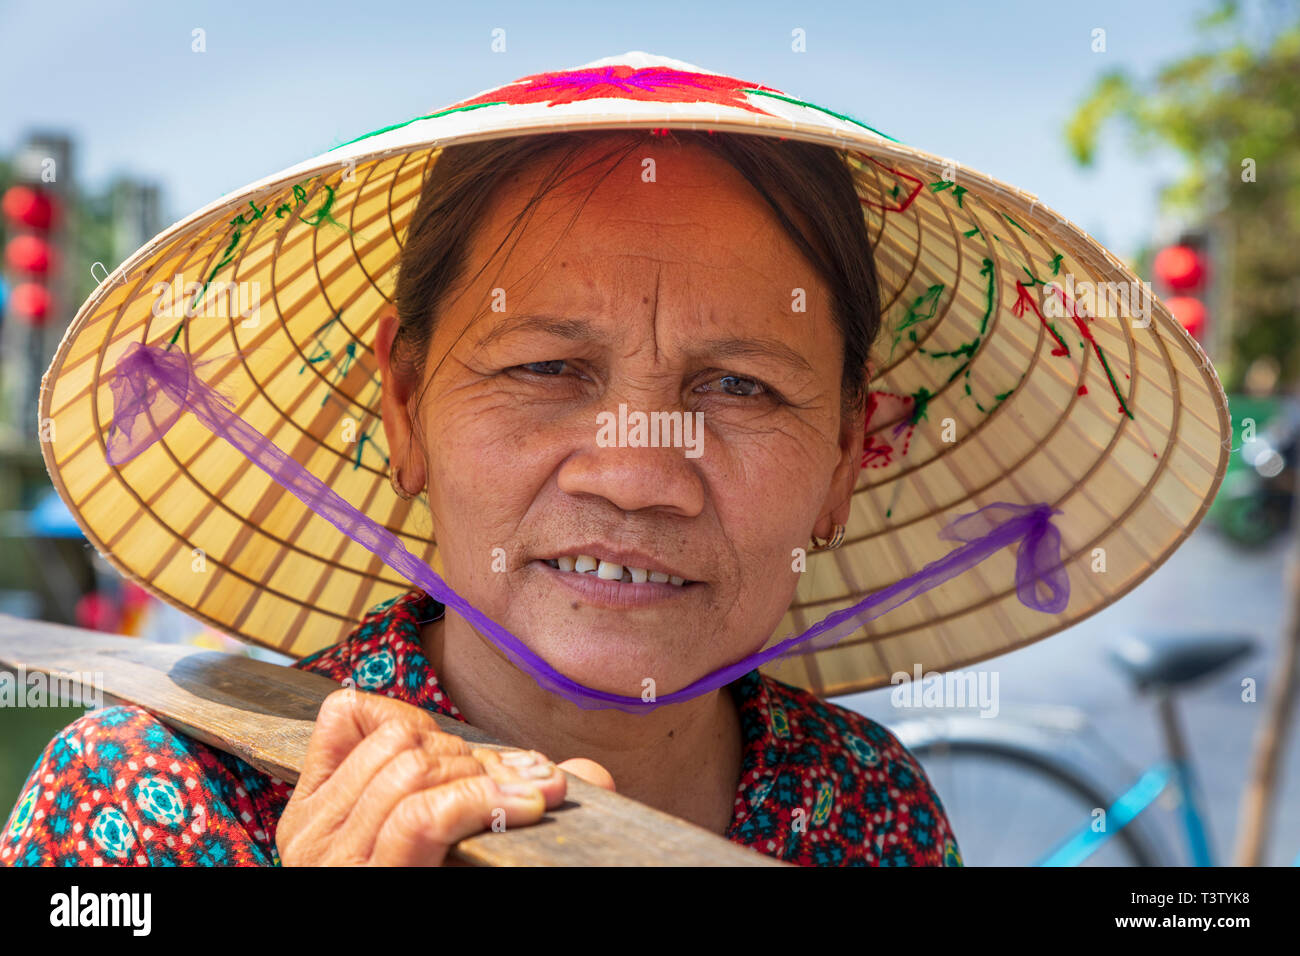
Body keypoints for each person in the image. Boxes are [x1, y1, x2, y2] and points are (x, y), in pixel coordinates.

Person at [2, 52, 1229, 867]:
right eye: (545, 369)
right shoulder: (151, 805)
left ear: (853, 454)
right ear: (404, 401)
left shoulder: (865, 806)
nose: (637, 472)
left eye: (738, 386)